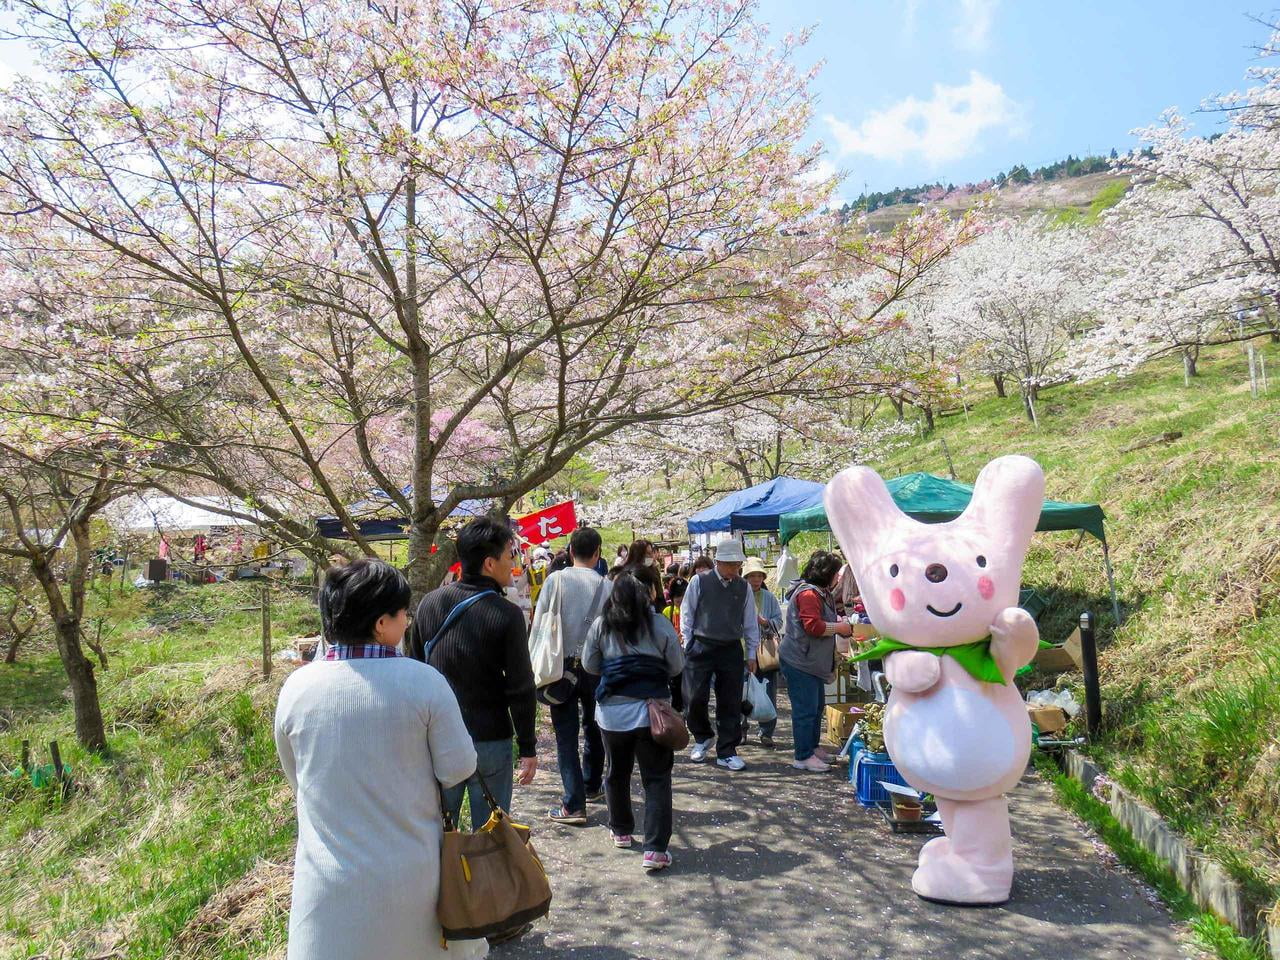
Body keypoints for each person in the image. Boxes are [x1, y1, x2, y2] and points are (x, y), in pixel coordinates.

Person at [274, 559, 483, 960]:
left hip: (326, 889)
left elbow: (297, 779)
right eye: (403, 613)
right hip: (413, 882)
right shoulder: (425, 683)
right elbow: (458, 768)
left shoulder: (297, 688)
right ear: (380, 624)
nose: (408, 622)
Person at [408, 516, 539, 826]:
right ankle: (483, 877)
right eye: (509, 556)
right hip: (490, 739)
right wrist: (528, 746)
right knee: (490, 836)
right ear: (490, 564)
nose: (513, 563)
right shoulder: (506, 615)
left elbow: (414, 671)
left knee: (439, 832)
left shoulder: (429, 604)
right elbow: (521, 687)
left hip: (438, 738)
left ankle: (443, 877)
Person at [581, 572, 685, 871]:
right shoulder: (659, 624)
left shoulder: (602, 625)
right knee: (656, 778)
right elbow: (677, 666)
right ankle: (655, 850)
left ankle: (621, 830)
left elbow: (589, 664)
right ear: (645, 598)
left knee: (617, 772)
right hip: (652, 714)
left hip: (612, 715)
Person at [531, 526, 610, 825]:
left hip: (560, 668)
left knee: (566, 736)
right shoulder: (608, 586)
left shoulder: (556, 580)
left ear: (571, 551)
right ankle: (592, 786)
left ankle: (573, 804)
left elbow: (540, 624)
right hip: (597, 668)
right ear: (598, 553)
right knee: (595, 728)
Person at [679, 536, 759, 771]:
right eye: (732, 564)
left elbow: (750, 622)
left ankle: (727, 749)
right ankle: (702, 737)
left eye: (737, 565)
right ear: (719, 562)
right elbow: (687, 612)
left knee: (730, 700)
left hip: (731, 646)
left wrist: (751, 653)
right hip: (701, 644)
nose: (736, 569)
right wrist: (688, 642)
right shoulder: (699, 581)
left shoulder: (742, 587)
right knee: (693, 697)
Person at [779, 551, 853, 772]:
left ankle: (812, 747)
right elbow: (813, 626)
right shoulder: (809, 595)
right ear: (826, 574)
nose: (838, 578)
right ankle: (802, 755)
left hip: (811, 662)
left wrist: (838, 620)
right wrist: (839, 627)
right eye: (835, 573)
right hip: (800, 661)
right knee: (805, 710)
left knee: (817, 706)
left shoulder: (822, 593)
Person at [742, 557, 783, 749]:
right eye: (752, 576)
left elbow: (779, 621)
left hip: (765, 652)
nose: (756, 579)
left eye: (759, 575)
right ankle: (741, 729)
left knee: (767, 690)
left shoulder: (769, 597)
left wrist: (765, 622)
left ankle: (766, 732)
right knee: (742, 692)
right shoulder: (739, 595)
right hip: (742, 651)